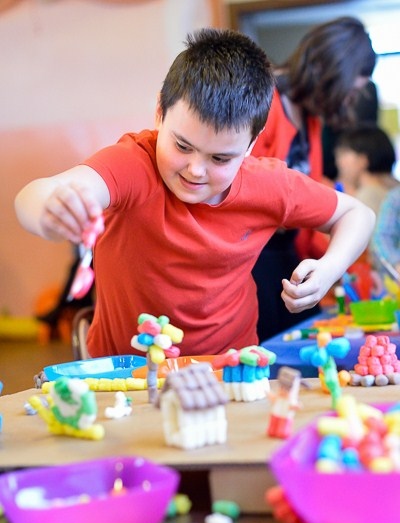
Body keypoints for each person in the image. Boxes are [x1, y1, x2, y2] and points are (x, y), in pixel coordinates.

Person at [14, 28, 375, 359]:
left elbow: (358, 214)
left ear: (251, 143)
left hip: (231, 370)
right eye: (182, 146)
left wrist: (328, 269)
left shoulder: (268, 184)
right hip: (126, 376)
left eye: (220, 158)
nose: (195, 170)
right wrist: (49, 208)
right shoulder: (132, 164)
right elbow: (34, 196)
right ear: (160, 112)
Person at [251, 16, 377, 341]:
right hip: (253, 255)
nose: (348, 102)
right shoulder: (264, 98)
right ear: (336, 73)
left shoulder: (310, 118)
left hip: (285, 251)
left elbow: (310, 203)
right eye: (352, 91)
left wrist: (336, 263)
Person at [334, 123, 399, 215]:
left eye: (344, 154)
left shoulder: (368, 196)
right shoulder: (393, 189)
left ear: (363, 160)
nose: (339, 162)